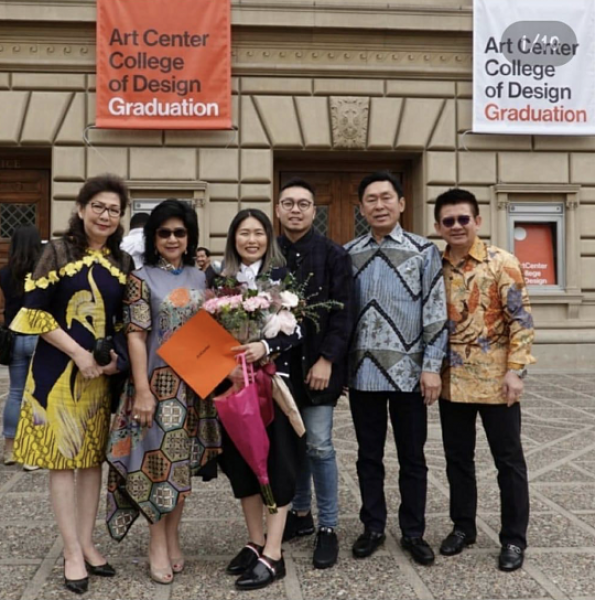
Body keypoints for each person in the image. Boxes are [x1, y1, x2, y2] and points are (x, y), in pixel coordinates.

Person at [10, 174, 132, 594]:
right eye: (98, 206)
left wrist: (116, 359)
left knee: (91, 461)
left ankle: (87, 542)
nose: (105, 215)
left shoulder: (123, 261)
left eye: (114, 209)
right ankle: (71, 551)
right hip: (56, 371)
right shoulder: (57, 251)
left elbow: (125, 320)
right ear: (81, 209)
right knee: (62, 462)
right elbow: (34, 312)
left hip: (100, 380)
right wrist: (78, 353)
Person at [106, 199, 222, 584]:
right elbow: (136, 337)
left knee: (180, 467)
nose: (172, 239)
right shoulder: (141, 278)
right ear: (153, 238)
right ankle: (156, 543)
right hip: (156, 388)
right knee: (155, 467)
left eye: (180, 232)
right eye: (164, 232)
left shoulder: (200, 277)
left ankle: (173, 537)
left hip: (193, 390)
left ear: (190, 237)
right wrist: (142, 390)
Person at [344, 171, 447, 565]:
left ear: (402, 204)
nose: (379, 205)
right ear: (361, 208)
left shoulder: (424, 251)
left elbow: (435, 312)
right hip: (363, 373)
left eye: (386, 197)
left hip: (410, 375)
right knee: (368, 456)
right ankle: (372, 526)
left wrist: (432, 367)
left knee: (412, 458)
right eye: (371, 199)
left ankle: (413, 531)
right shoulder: (348, 253)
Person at [433, 188, 535, 572]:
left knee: (508, 463)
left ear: (477, 221)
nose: (457, 226)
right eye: (448, 221)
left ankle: (513, 538)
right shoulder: (434, 266)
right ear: (438, 226)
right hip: (452, 383)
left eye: (464, 219)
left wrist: (516, 371)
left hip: (497, 383)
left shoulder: (501, 262)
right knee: (458, 460)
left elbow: (521, 320)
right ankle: (463, 527)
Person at [218, 208, 305, 591]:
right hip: (234, 386)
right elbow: (206, 334)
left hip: (272, 385)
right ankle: (254, 541)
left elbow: (300, 331)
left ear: (268, 239)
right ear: (233, 238)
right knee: (240, 464)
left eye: (258, 233)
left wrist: (265, 346)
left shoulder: (284, 278)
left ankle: (274, 552)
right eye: (244, 233)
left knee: (277, 463)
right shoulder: (220, 281)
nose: (251, 240)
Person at [276, 178, 353, 569]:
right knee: (293, 443)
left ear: (314, 211)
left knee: (319, 445)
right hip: (278, 371)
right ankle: (301, 514)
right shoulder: (269, 254)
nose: (295, 210)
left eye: (303, 204)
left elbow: (344, 313)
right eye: (288, 203)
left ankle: (328, 526)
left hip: (318, 367)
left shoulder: (334, 254)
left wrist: (327, 360)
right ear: (278, 209)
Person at [0, 225, 42, 469]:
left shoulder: (5, 274)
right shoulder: (43, 273)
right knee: (37, 394)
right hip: (40, 337)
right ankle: (31, 454)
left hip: (15, 337)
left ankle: (9, 450)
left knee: (15, 392)